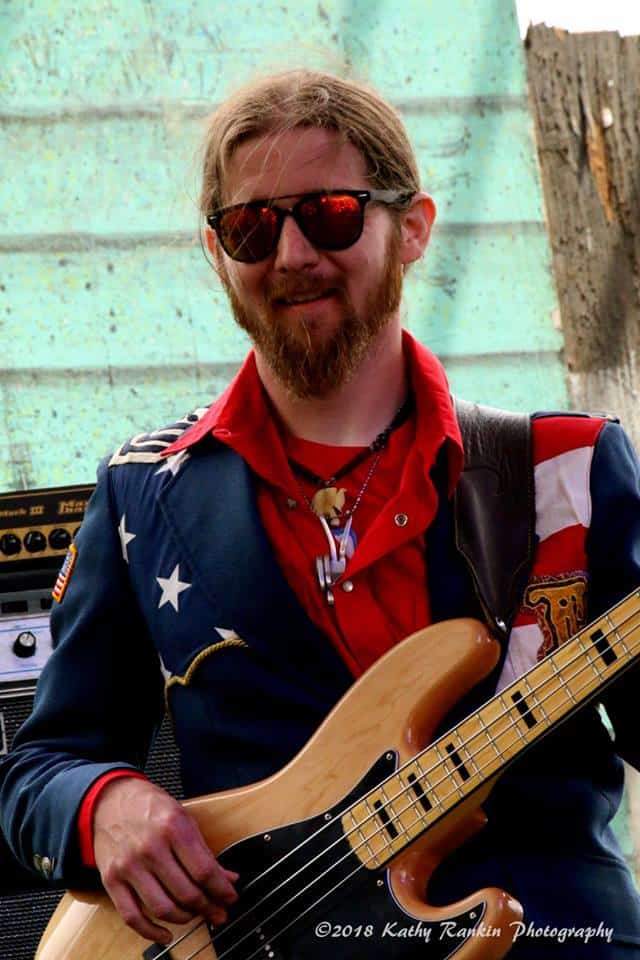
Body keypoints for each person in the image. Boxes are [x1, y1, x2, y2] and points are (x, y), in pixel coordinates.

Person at [1, 69, 640, 959]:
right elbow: (36, 770)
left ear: (412, 227)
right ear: (216, 254)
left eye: (331, 214)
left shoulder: (564, 470)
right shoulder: (141, 492)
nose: (293, 256)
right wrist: (106, 806)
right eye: (252, 227)